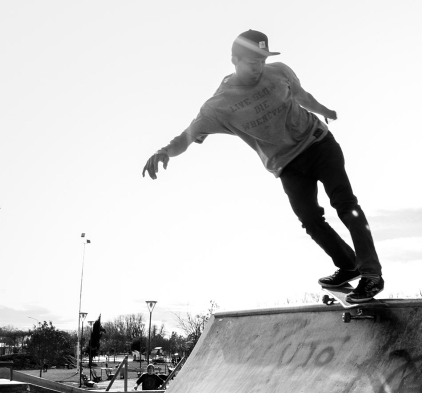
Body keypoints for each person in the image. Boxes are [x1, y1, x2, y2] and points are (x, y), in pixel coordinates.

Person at [142, 30, 384, 303]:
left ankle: (371, 275)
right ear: (234, 60)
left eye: (262, 61)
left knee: (345, 204)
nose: (258, 68)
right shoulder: (219, 105)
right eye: (250, 62)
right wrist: (164, 151)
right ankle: (348, 264)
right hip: (287, 165)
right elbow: (187, 136)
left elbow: (302, 95)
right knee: (310, 220)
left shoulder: (279, 72)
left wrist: (324, 111)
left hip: (319, 145)